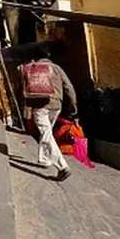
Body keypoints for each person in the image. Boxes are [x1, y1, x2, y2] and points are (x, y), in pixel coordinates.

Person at [20, 51, 78, 182]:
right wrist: (74, 111)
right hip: (56, 106)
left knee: (46, 133)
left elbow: (24, 90)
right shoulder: (57, 68)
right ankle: (45, 159)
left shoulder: (31, 68)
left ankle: (63, 167)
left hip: (40, 106)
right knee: (47, 133)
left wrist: (27, 109)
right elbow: (69, 88)